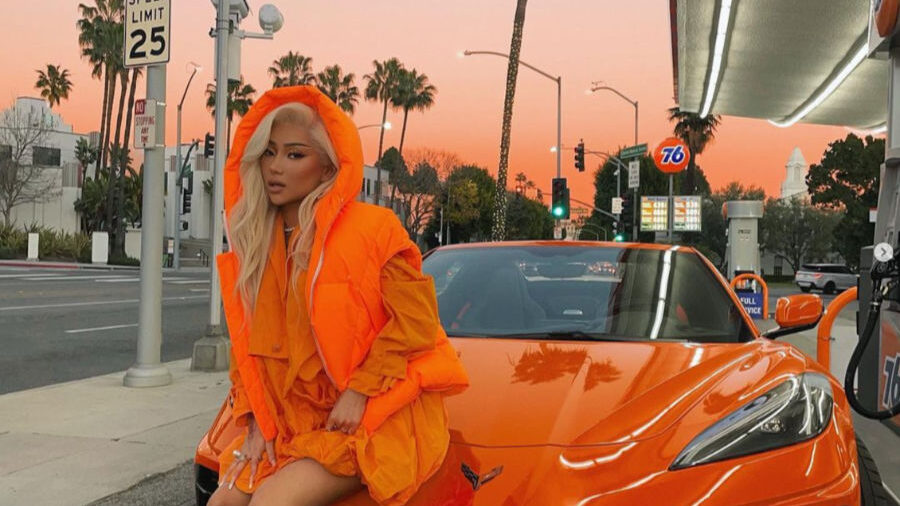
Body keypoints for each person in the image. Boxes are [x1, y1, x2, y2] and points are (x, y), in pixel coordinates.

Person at [208, 86, 469, 506]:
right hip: (293, 425)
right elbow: (249, 357)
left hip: (367, 420)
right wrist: (255, 421)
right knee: (222, 502)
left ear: (329, 169)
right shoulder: (258, 247)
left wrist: (359, 391)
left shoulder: (374, 229)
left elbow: (417, 322)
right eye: (269, 153)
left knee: (270, 503)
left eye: (295, 155)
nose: (275, 167)